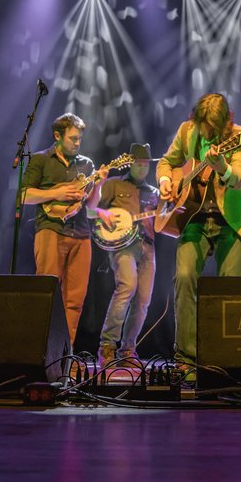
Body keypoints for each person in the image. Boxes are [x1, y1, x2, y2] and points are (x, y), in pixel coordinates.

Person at [157, 93, 241, 370]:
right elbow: (167, 162)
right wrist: (167, 181)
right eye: (201, 125)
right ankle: (186, 359)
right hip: (194, 220)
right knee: (184, 277)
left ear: (226, 124)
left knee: (230, 289)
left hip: (231, 222)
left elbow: (240, 178)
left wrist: (223, 168)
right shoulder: (186, 130)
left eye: (210, 127)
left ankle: (226, 357)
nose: (204, 131)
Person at [21, 113, 107, 346]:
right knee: (48, 293)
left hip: (80, 234)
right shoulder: (41, 160)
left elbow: (90, 208)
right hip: (51, 230)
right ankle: (41, 350)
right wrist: (55, 194)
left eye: (79, 139)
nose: (77, 143)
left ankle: (65, 355)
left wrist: (98, 185)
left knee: (75, 300)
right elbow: (24, 195)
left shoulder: (86, 164)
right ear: (57, 136)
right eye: (72, 138)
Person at [92, 143, 158, 370]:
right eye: (139, 164)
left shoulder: (154, 193)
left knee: (143, 300)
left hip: (147, 247)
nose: (142, 169)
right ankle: (107, 346)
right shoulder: (113, 184)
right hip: (122, 246)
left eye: (146, 165)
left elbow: (163, 222)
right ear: (131, 164)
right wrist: (104, 213)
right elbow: (91, 209)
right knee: (127, 286)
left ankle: (128, 349)